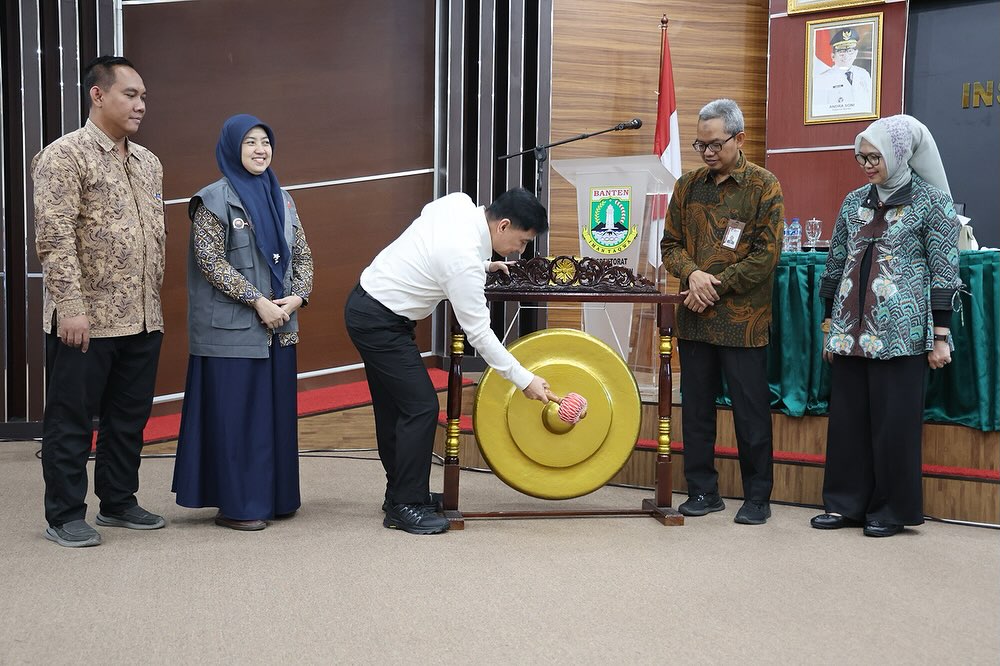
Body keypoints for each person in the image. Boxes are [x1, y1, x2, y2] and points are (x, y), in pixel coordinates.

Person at [345, 187, 551, 535]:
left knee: (396, 408)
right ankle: (405, 506)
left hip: (370, 307)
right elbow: (480, 334)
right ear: (502, 225)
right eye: (522, 240)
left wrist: (483, 264)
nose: (521, 249)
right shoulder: (462, 260)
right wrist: (524, 379)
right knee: (420, 408)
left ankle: (401, 494)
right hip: (378, 322)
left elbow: (436, 239)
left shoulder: (459, 203)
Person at [32, 55, 166, 547]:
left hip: (143, 317)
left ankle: (118, 501)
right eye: (130, 94)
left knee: (128, 419)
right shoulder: (64, 156)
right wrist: (70, 307)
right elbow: (55, 238)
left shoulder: (148, 162)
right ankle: (65, 514)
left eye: (143, 96)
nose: (140, 105)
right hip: (86, 320)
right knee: (70, 421)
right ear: (97, 95)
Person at [811, 115, 960, 537]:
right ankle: (844, 505)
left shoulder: (932, 202)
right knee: (848, 422)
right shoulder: (853, 201)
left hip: (903, 335)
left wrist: (941, 337)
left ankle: (891, 510)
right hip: (849, 331)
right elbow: (835, 264)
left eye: (874, 157)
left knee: (894, 425)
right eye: (861, 158)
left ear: (898, 155)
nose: (867, 165)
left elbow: (945, 272)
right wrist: (829, 326)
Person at [172, 114, 313, 531]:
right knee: (237, 420)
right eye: (250, 142)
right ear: (233, 148)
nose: (259, 149)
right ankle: (238, 506)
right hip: (231, 332)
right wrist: (257, 301)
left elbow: (302, 254)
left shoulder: (284, 199)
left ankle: (275, 498)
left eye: (265, 142)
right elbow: (210, 261)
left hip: (279, 326)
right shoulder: (211, 200)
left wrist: (299, 296)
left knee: (274, 418)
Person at [660, 98, 784, 525]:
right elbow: (670, 246)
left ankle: (757, 498)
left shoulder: (764, 185)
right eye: (701, 144)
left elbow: (765, 256)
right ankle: (702, 491)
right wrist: (693, 274)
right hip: (695, 319)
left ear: (739, 138)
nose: (708, 152)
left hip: (743, 323)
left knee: (751, 413)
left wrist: (711, 285)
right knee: (696, 410)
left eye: (715, 144)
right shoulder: (687, 186)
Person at [812, 28, 873, 117]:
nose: (846, 56)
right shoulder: (821, 80)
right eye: (841, 52)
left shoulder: (864, 74)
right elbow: (819, 111)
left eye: (850, 51)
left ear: (855, 53)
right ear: (833, 56)